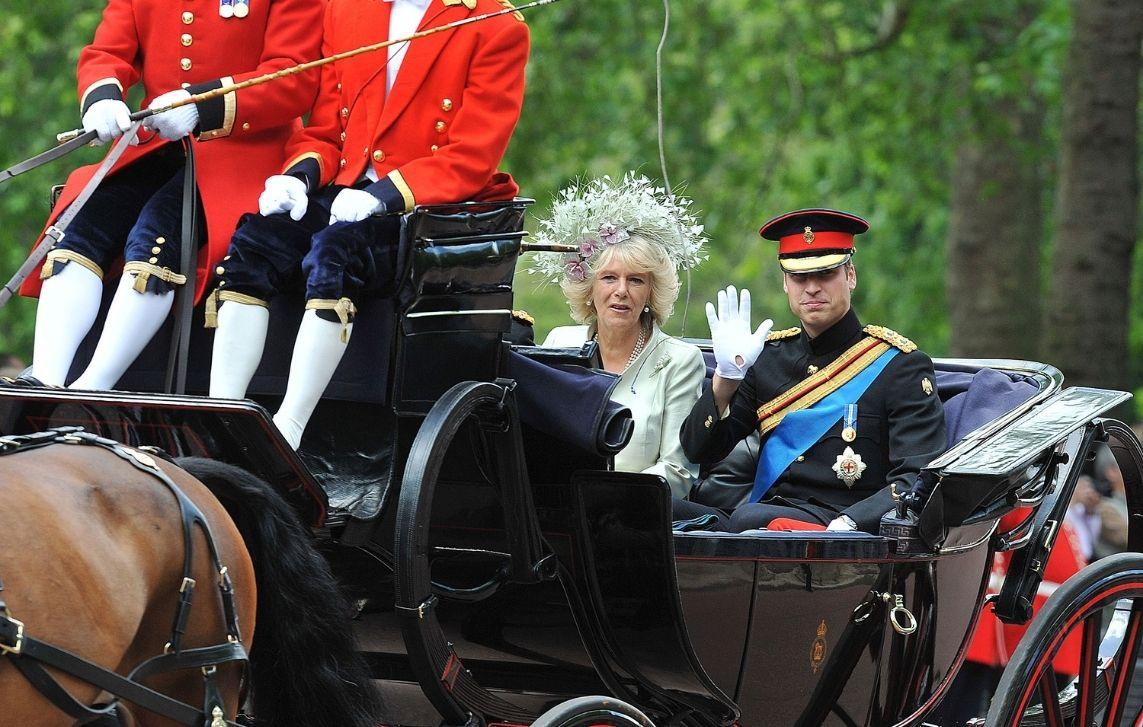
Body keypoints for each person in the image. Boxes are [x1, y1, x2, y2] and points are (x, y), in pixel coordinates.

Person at [206, 0, 530, 450]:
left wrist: (382, 196)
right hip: (343, 185)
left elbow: (471, 155)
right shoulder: (346, 9)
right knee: (257, 241)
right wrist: (298, 177)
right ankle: (222, 415)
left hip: (423, 208)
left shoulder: (497, 26)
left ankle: (289, 427)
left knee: (334, 252)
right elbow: (326, 129)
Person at [20, 0, 324, 389]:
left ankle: (94, 388)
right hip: (154, 143)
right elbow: (107, 53)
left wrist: (203, 106)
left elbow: (293, 79)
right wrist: (102, 99)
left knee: (154, 241)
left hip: (247, 154)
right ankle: (45, 382)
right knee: (77, 232)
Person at [679, 208, 947, 533]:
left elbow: (916, 476)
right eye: (799, 277)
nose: (812, 288)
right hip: (761, 526)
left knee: (751, 520)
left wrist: (850, 523)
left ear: (850, 275)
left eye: (825, 274)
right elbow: (697, 451)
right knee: (652, 505)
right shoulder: (765, 359)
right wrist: (725, 378)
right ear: (785, 283)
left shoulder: (899, 366)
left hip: (841, 533)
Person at [534, 173, 707, 499]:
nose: (621, 292)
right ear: (589, 288)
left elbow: (678, 472)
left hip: (635, 513)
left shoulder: (679, 361)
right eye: (609, 278)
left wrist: (609, 497)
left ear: (651, 292)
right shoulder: (560, 343)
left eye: (636, 280)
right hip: (555, 508)